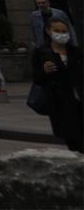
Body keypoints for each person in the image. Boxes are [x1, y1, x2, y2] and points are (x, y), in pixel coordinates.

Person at [31, 17, 82, 152]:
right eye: (57, 31)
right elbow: (37, 79)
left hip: (79, 99)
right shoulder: (41, 53)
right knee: (73, 139)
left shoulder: (75, 52)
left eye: (64, 31)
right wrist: (44, 71)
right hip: (60, 103)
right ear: (49, 31)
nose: (61, 34)